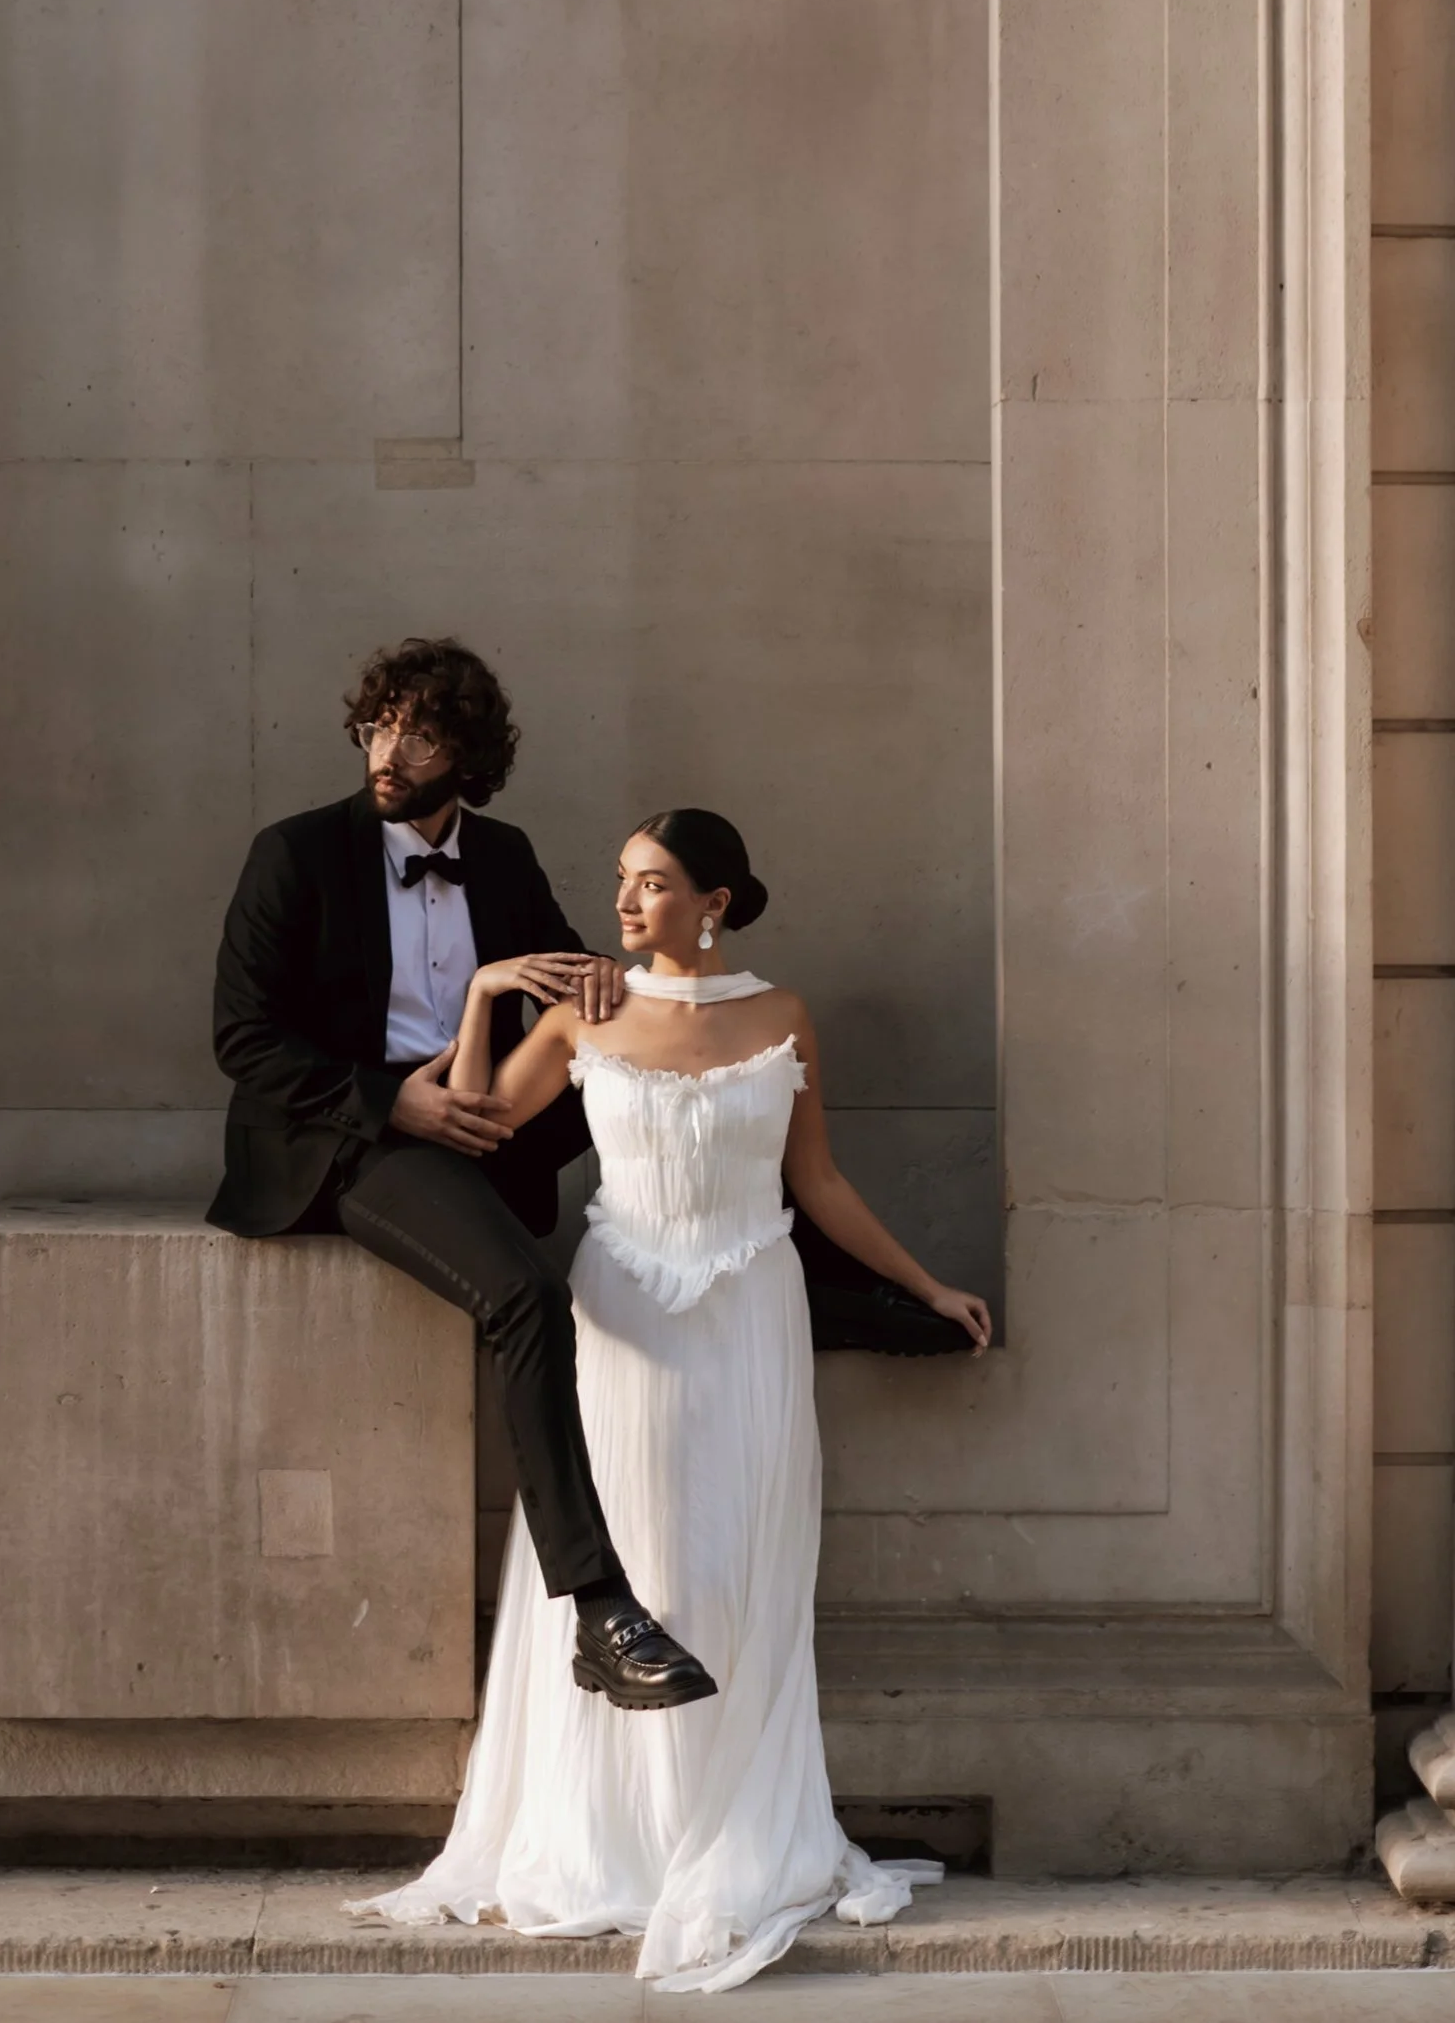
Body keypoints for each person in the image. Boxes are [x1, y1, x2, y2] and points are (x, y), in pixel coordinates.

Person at [357, 806, 992, 1991]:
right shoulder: (581, 1012)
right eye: (621, 881)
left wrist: (925, 1281)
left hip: (754, 1313)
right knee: (644, 1560)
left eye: (651, 883)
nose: (626, 902)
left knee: (740, 1567)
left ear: (717, 900)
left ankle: (728, 1826)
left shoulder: (781, 1013)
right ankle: (620, 1839)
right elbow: (477, 1123)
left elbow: (818, 1180)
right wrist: (488, 993)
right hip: (626, 1321)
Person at [208, 639, 714, 1711]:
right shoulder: (294, 853)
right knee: (526, 1295)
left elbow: (571, 978)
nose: (389, 751)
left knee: (684, 1075)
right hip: (355, 1132)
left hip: (481, 1109)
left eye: (421, 733)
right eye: (377, 725)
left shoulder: (502, 853)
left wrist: (607, 985)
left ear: (467, 753)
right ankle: (600, 1608)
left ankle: (773, 1255)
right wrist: (394, 1100)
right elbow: (244, 1038)